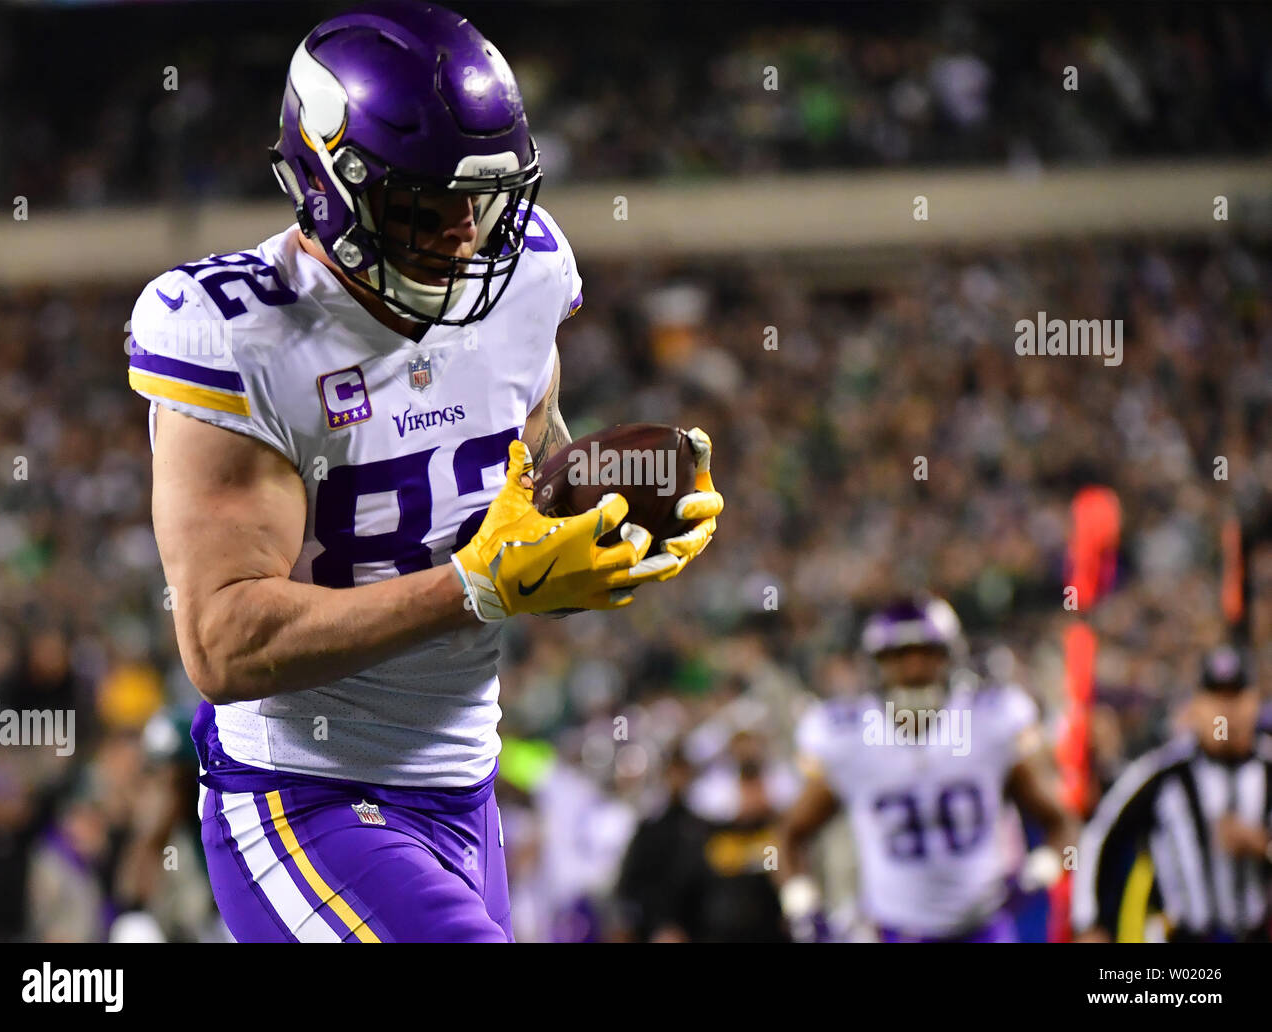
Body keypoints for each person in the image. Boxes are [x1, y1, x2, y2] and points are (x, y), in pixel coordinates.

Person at [127, 0, 722, 942]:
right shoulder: (237, 332)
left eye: (481, 199)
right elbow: (223, 643)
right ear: (328, 184)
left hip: (467, 789)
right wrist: (473, 590)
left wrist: (606, 531)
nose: (463, 232)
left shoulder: (524, 276)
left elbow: (527, 499)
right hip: (304, 796)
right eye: (427, 204)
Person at [776, 596, 1076, 942]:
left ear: (950, 657)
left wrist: (1038, 874)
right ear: (876, 665)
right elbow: (790, 834)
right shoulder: (848, 738)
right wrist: (800, 904)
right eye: (900, 656)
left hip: (985, 926)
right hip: (896, 932)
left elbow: (1061, 821)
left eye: (926, 653)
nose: (915, 668)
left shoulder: (989, 723)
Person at [1073, 645, 1272, 943]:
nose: (1226, 709)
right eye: (1216, 697)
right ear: (1196, 705)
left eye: (1236, 696)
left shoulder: (1268, 767)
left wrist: (1263, 846)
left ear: (1255, 701)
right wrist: (1091, 924)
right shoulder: (1161, 773)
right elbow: (1100, 838)